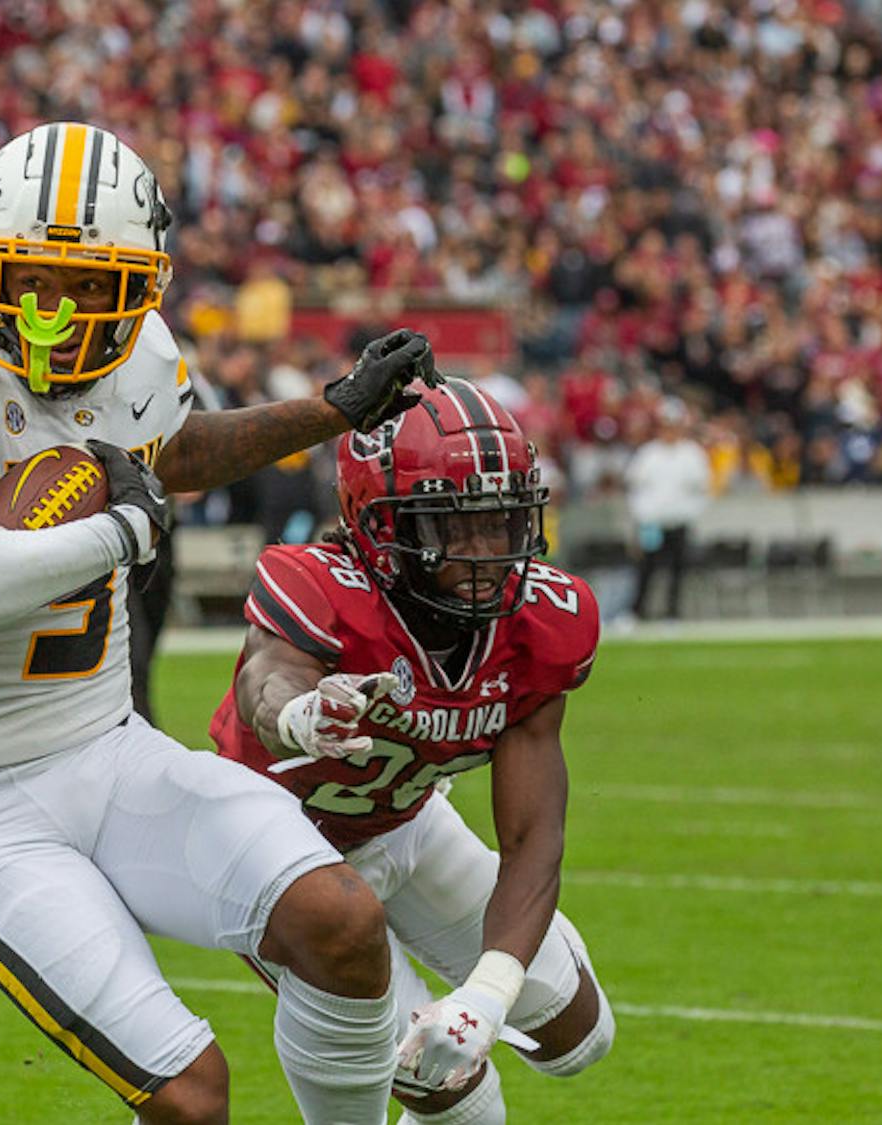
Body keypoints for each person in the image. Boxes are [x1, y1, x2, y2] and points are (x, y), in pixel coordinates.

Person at [0, 122, 439, 1125]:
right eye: (27, 278)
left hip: (109, 752)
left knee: (340, 921)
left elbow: (176, 452)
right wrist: (119, 535)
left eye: (89, 287)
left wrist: (333, 410)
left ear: (141, 287)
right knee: (191, 1097)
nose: (54, 312)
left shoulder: (140, 362)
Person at [213, 378, 614, 1125]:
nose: (487, 552)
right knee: (456, 1095)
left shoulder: (541, 622)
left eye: (502, 521)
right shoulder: (320, 585)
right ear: (377, 523)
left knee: (580, 1035)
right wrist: (301, 714)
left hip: (404, 821)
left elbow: (533, 836)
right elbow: (265, 679)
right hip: (279, 854)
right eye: (453, 526)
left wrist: (486, 998)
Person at [623, 397, 711, 622]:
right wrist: (641, 515)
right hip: (652, 523)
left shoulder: (692, 454)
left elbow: (701, 488)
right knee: (646, 569)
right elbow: (634, 487)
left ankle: (672, 613)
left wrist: (692, 513)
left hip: (679, 522)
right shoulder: (648, 454)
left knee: (677, 570)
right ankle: (637, 612)